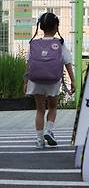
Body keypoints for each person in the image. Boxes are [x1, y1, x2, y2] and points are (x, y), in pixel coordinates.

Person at [24, 12, 75, 149]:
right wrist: (73, 81)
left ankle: (40, 140)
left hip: (36, 81)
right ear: (56, 27)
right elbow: (68, 63)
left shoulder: (33, 44)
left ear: (40, 27)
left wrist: (25, 82)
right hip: (53, 81)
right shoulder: (59, 44)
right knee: (52, 107)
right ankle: (49, 130)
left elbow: (29, 65)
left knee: (40, 110)